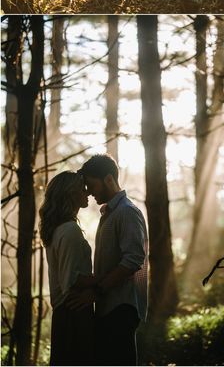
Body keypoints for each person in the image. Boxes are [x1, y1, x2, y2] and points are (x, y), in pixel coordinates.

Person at [81, 154, 148, 366]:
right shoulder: (111, 213)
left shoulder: (127, 212)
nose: (89, 192)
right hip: (108, 306)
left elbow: (133, 260)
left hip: (121, 308)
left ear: (109, 179)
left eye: (91, 185)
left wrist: (98, 290)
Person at [39, 171, 96, 366]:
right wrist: (106, 277)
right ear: (71, 194)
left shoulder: (57, 229)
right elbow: (70, 281)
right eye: (82, 189)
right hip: (74, 312)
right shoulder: (69, 230)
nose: (87, 193)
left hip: (65, 314)